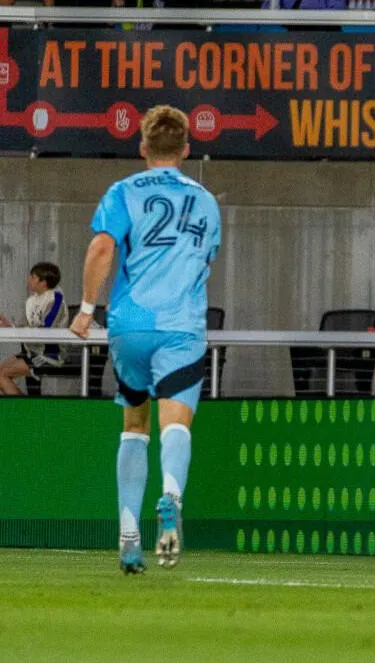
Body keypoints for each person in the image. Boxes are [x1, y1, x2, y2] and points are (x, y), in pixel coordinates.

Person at [70, 105, 222, 575]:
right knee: (176, 424)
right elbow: (203, 260)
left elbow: (101, 247)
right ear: (186, 150)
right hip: (180, 325)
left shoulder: (123, 192)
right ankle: (171, 495)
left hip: (131, 325)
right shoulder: (206, 200)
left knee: (134, 425)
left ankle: (129, 533)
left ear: (142, 147)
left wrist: (86, 308)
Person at [0, 262, 68, 396]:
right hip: (30, 352)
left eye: (33, 277)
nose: (28, 279)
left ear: (43, 282)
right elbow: (22, 326)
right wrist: (8, 325)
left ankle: (24, 411)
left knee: (2, 375)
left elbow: (47, 327)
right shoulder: (31, 301)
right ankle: (24, 409)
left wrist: (20, 329)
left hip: (49, 355)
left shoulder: (56, 298)